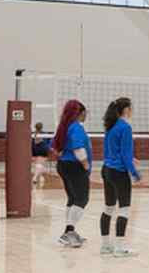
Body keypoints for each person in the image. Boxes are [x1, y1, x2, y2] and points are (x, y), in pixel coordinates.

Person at [100, 97, 141, 257]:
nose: (132, 111)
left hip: (107, 169)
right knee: (124, 208)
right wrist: (135, 173)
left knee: (109, 208)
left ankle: (105, 246)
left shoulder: (110, 126)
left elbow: (111, 151)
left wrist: (129, 159)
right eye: (131, 108)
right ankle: (119, 247)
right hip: (119, 172)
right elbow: (124, 154)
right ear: (126, 110)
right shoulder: (125, 127)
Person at [53, 100, 91, 248]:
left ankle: (69, 232)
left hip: (64, 165)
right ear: (80, 113)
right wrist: (85, 164)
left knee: (73, 199)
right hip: (74, 166)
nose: (86, 115)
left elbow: (55, 147)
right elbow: (78, 148)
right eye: (85, 112)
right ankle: (68, 233)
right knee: (82, 199)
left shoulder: (64, 126)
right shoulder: (76, 128)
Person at [31, 122, 53, 191]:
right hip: (42, 149)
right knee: (40, 164)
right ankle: (35, 177)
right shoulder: (44, 134)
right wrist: (49, 148)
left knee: (38, 164)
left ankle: (40, 177)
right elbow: (49, 142)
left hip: (36, 150)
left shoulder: (33, 134)